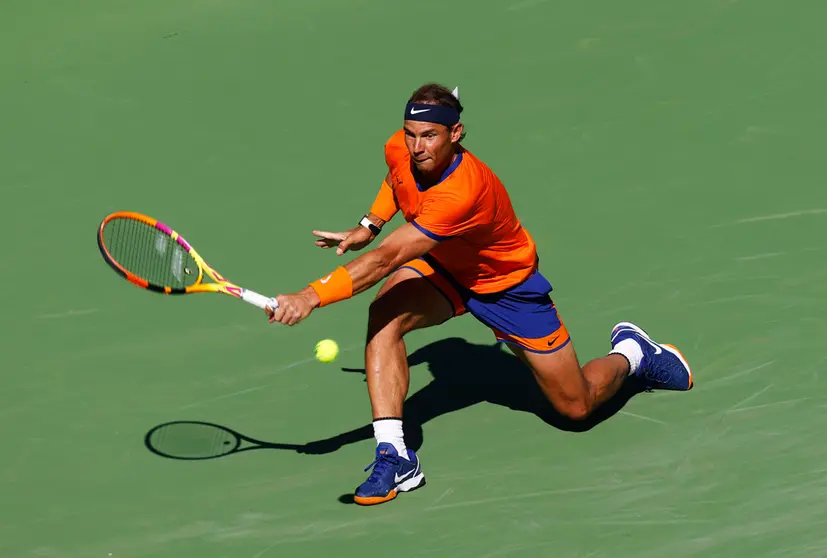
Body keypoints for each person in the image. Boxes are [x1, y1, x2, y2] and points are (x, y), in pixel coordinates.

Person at [265, 82, 693, 506]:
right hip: (445, 267)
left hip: (505, 285)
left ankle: (635, 354)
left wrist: (309, 296)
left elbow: (386, 260)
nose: (417, 147)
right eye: (411, 135)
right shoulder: (402, 146)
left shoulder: (464, 190)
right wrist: (368, 224)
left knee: (576, 408)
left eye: (429, 136)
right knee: (387, 314)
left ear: (456, 133)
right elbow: (395, 181)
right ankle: (394, 454)